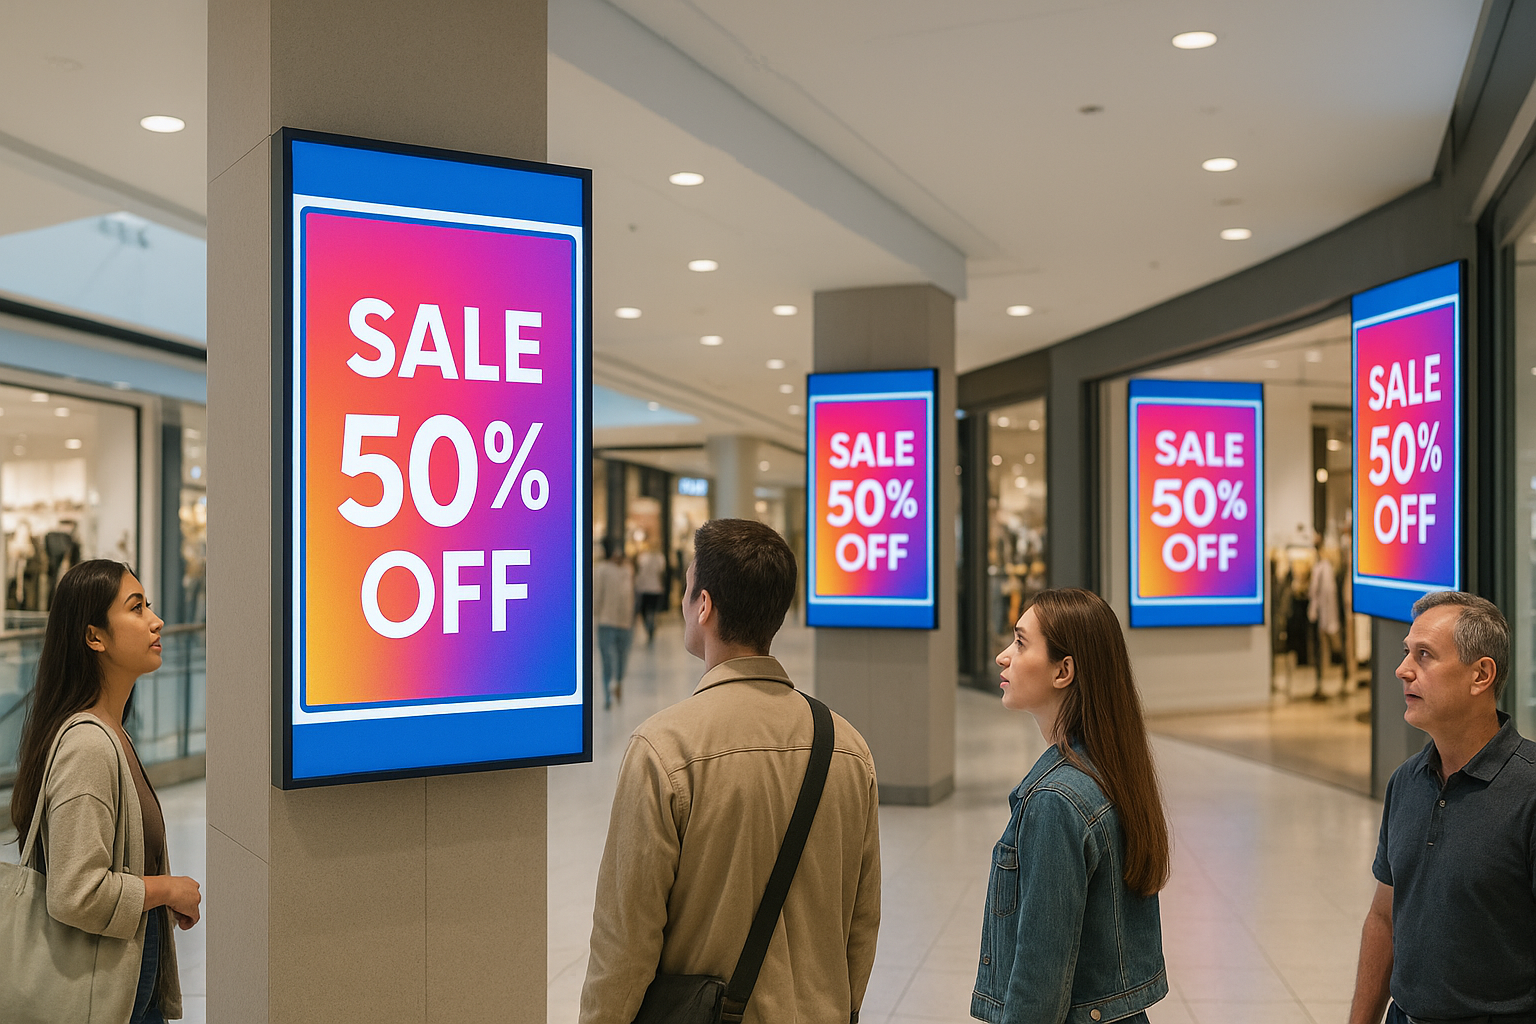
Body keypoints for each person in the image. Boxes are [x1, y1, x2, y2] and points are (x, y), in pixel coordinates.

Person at [580, 519, 881, 1023]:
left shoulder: (664, 748)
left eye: (686, 588)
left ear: (704, 605)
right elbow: (861, 923)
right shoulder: (846, 747)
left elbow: (625, 944)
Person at [8, 560, 202, 1023]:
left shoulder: (110, 733)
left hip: (125, 986)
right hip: (108, 999)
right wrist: (168, 889)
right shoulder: (89, 745)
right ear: (95, 637)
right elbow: (76, 892)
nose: (155, 620)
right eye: (136, 609)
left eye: (148, 606)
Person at [974, 588, 1169, 1024]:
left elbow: (1038, 987)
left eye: (1021, 643)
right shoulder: (1113, 769)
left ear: (1064, 671)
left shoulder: (1056, 801)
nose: (1003, 657)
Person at [1347, 591, 1536, 1024]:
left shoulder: (1529, 791)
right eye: (1406, 652)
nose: (1402, 670)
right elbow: (1383, 918)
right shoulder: (1405, 783)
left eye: (1425, 655)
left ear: (1480, 675)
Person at [592, 540, 634, 709]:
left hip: (624, 622)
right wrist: (595, 613)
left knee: (622, 658)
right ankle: (608, 694)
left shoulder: (627, 570)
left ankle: (618, 683)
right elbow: (597, 594)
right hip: (606, 621)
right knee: (607, 660)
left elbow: (629, 595)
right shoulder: (601, 570)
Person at [633, 543, 667, 646]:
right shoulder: (657, 558)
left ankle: (650, 626)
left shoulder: (646, 557)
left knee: (647, 610)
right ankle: (650, 626)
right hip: (652, 588)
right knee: (650, 610)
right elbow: (661, 573)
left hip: (647, 588)